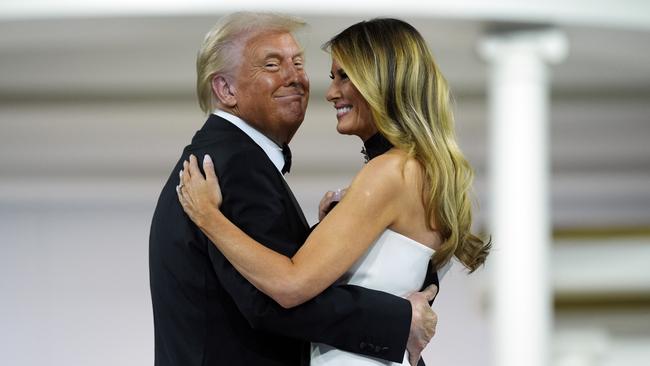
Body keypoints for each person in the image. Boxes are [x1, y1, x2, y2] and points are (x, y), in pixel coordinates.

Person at [177, 18, 491, 366]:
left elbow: (290, 285)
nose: (331, 93)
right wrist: (330, 228)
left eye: (345, 76)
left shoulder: (390, 172)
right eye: (332, 78)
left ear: (381, 80)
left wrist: (208, 217)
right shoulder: (419, 171)